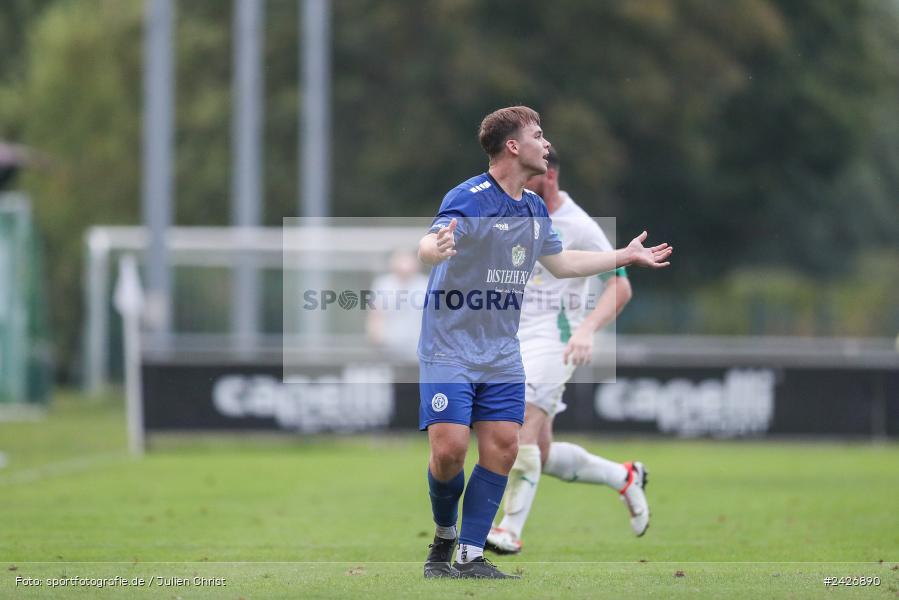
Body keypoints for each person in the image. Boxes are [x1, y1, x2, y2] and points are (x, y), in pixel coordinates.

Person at [417, 106, 671, 579]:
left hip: (502, 351)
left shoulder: (533, 210)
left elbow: (563, 263)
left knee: (505, 446)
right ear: (514, 146)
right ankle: (444, 538)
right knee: (449, 451)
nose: (547, 143)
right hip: (450, 347)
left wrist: (624, 256)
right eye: (538, 135)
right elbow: (429, 243)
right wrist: (437, 248)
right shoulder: (470, 197)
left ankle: (470, 555)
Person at [486, 147, 648, 556]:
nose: (521, 184)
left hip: (556, 341)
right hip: (512, 340)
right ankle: (624, 477)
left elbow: (620, 285)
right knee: (538, 452)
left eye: (530, 176)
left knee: (518, 425)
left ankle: (509, 529)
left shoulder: (579, 226)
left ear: (550, 176)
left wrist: (587, 330)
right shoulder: (515, 209)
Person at [366, 249, 429, 361]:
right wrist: (376, 340)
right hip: (389, 348)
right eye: (400, 260)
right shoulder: (383, 284)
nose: (404, 266)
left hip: (418, 348)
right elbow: (376, 316)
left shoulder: (425, 284)